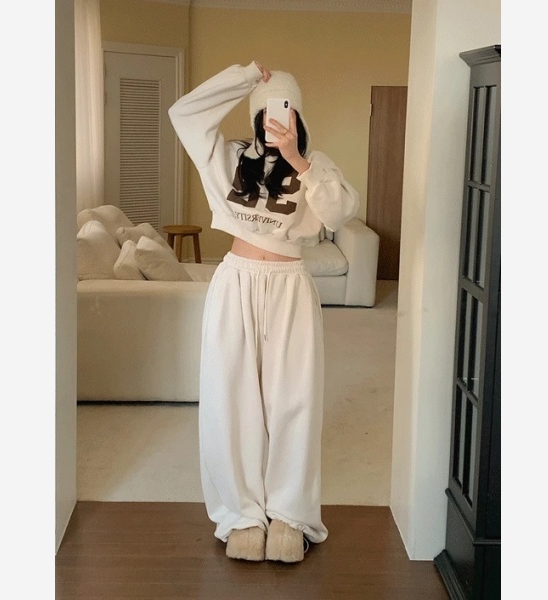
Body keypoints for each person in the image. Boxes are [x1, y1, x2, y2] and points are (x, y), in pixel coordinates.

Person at [168, 61, 359, 563]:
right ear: (255, 114)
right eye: (268, 110)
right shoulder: (228, 156)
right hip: (236, 281)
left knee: (293, 400)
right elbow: (183, 113)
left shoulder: (315, 164)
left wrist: (298, 159)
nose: (276, 118)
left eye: (287, 109)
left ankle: (290, 515)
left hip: (290, 286)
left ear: (299, 115)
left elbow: (340, 212)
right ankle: (242, 515)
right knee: (230, 400)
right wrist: (246, 77)